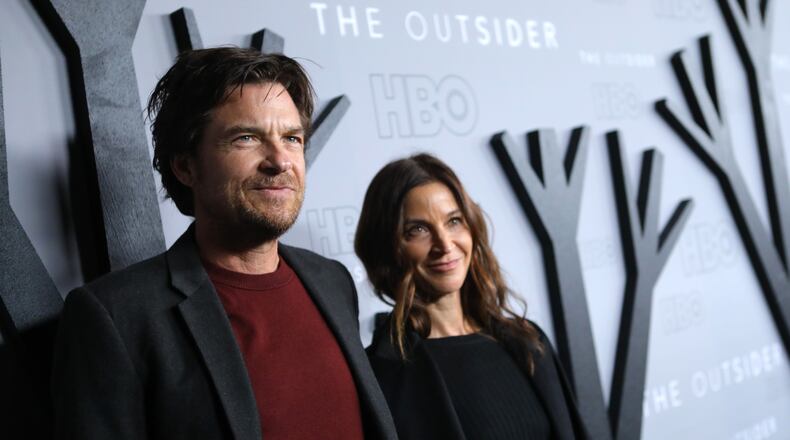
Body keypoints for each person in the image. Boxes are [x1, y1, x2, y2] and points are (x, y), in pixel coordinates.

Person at [51, 48, 396, 440]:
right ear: (185, 166)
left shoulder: (332, 281)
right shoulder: (117, 317)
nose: (280, 161)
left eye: (292, 138)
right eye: (247, 138)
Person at [355, 153, 589, 440]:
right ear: (387, 248)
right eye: (418, 230)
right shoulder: (381, 377)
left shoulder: (528, 342)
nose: (445, 244)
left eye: (454, 221)